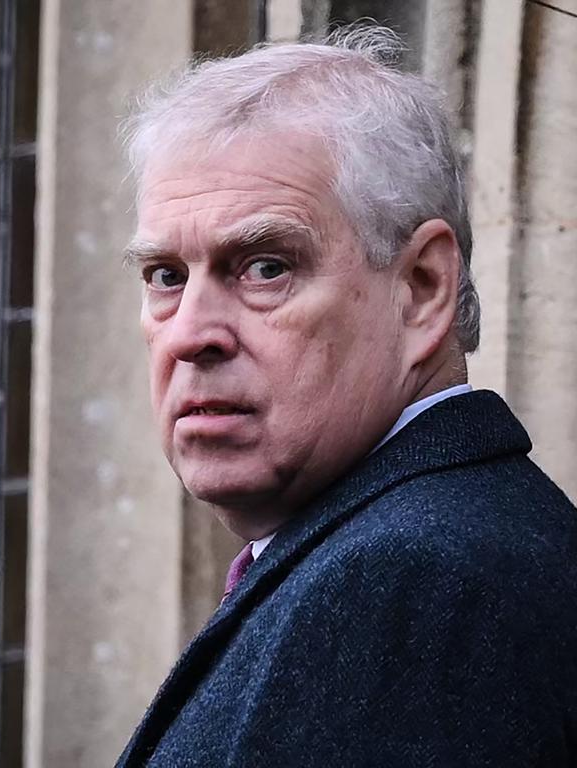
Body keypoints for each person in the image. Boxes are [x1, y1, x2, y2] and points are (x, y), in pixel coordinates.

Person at [115, 27, 577, 767]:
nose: (190, 334)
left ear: (423, 287)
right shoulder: (407, 548)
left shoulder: (410, 584)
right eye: (166, 276)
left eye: (265, 266)